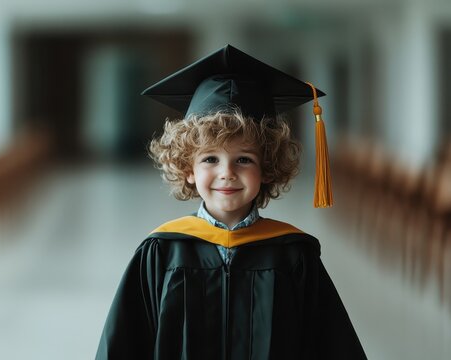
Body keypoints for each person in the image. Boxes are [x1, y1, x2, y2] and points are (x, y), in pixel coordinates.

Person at [95, 44, 367, 360]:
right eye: (210, 158)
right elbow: (123, 347)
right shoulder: (160, 253)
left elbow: (330, 345)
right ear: (188, 170)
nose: (227, 173)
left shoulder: (294, 255)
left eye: (244, 159)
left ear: (267, 168)